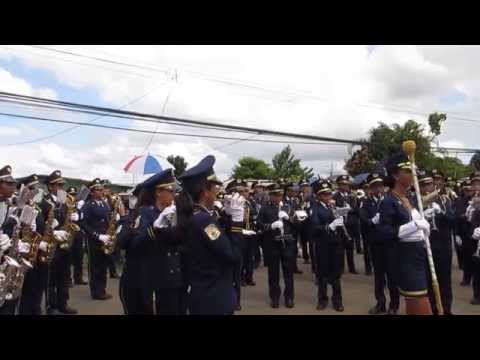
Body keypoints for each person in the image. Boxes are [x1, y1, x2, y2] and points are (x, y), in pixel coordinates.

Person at [178, 155, 240, 315]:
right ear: (205, 191)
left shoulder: (197, 215)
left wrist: (227, 218)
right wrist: (238, 223)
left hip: (205, 296)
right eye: (215, 186)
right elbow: (232, 255)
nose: (218, 190)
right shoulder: (204, 221)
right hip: (213, 299)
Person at [122, 169, 186, 315]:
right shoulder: (145, 213)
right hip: (154, 279)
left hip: (171, 277)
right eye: (171, 190)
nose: (174, 194)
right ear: (158, 192)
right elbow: (134, 245)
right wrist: (154, 228)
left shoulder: (170, 212)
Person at [377, 152, 432, 315]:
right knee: (417, 299)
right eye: (408, 171)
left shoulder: (410, 198)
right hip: (405, 256)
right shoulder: (388, 201)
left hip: (419, 252)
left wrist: (424, 229)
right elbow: (384, 233)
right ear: (395, 174)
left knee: (420, 299)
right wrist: (413, 226)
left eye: (413, 170)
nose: (413, 174)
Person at [40, 170, 78, 315]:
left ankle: (63, 303)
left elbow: (67, 218)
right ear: (50, 187)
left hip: (64, 243)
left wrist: (73, 217)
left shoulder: (65, 202)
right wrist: (52, 231)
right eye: (58, 185)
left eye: (62, 185)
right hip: (51, 243)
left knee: (64, 275)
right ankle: (51, 306)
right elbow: (39, 224)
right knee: (52, 277)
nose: (61, 187)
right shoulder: (44, 202)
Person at [361, 173, 399, 315]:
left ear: (384, 186)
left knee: (392, 276)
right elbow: (363, 220)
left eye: (380, 185)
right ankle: (380, 304)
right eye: (374, 186)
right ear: (370, 188)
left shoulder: (391, 200)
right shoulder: (366, 202)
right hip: (376, 244)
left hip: (390, 243)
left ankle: (394, 305)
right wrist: (372, 221)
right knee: (378, 277)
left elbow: (398, 218)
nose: (378, 188)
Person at [419, 170, 455, 315]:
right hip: (426, 247)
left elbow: (453, 220)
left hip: (444, 246)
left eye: (430, 184)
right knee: (428, 282)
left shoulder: (445, 200)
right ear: (420, 187)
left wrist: (441, 212)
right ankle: (433, 309)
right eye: (424, 185)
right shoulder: (416, 201)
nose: (428, 187)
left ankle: (447, 310)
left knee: (445, 280)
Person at [257, 183, 296, 309]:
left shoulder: (289, 206)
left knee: (288, 273)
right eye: (275, 195)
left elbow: (297, 224)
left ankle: (289, 297)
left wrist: (289, 218)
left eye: (280, 194)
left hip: (287, 243)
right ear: (271, 195)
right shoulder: (264, 208)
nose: (278, 197)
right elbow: (259, 224)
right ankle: (274, 298)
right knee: (273, 274)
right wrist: (271, 226)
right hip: (272, 243)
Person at [311, 180, 345, 312]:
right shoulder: (315, 209)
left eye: (329, 194)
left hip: (336, 244)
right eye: (324, 194)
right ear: (318, 196)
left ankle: (337, 301)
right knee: (323, 275)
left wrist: (342, 220)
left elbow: (341, 223)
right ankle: (322, 300)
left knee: (336, 275)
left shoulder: (334, 207)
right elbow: (314, 228)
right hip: (323, 245)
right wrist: (329, 226)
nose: (327, 196)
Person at [17, 174, 49, 315]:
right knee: (27, 288)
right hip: (24, 252)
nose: (36, 191)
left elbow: (41, 228)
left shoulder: (38, 207)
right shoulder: (19, 207)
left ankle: (35, 309)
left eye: (36, 188)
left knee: (38, 284)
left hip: (37, 250)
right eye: (32, 188)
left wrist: (43, 240)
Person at [80, 178, 113, 300]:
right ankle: (95, 292)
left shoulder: (104, 203)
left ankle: (102, 289)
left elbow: (108, 219)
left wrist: (111, 232)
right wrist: (97, 235)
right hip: (94, 239)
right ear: (92, 192)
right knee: (95, 266)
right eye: (98, 190)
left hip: (105, 238)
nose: (101, 191)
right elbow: (83, 223)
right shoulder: (88, 205)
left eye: (101, 189)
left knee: (103, 265)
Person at [333, 175, 359, 274]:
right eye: (343, 184)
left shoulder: (352, 196)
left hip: (351, 225)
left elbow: (357, 211)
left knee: (350, 248)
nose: (345, 186)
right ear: (339, 185)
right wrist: (342, 211)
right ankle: (341, 268)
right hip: (340, 225)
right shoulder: (335, 196)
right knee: (340, 249)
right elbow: (334, 211)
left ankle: (352, 268)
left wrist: (350, 209)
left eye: (347, 184)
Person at [67, 186, 88, 286]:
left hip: (78, 233)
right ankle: (68, 279)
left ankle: (78, 277)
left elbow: (82, 219)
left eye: (74, 194)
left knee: (79, 256)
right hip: (69, 232)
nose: (73, 196)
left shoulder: (79, 205)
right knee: (68, 257)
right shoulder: (66, 205)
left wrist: (79, 211)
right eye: (71, 194)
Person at [102, 180, 120, 279]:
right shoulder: (99, 199)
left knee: (111, 250)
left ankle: (113, 271)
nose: (106, 190)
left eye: (108, 188)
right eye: (105, 188)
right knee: (104, 251)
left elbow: (114, 209)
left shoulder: (111, 199)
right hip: (102, 228)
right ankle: (106, 271)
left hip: (111, 226)